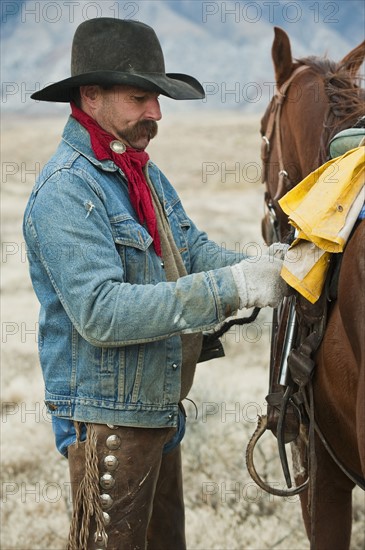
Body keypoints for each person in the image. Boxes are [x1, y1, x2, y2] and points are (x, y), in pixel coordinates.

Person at [23, 17, 289, 550]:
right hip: (109, 430)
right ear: (91, 96)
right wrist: (233, 288)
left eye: (157, 98)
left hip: (156, 415)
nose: (157, 112)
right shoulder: (66, 192)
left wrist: (272, 270)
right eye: (141, 97)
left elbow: (191, 251)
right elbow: (102, 312)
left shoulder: (141, 173)